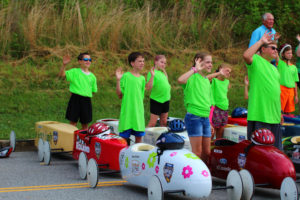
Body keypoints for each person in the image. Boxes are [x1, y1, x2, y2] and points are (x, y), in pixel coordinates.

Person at [243, 32, 282, 149]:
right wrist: (260, 41)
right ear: (263, 49)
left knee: (276, 152)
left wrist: (279, 112)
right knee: (259, 153)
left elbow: (276, 92)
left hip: (274, 117)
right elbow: (246, 55)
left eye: (277, 48)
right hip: (260, 115)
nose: (276, 50)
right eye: (273, 48)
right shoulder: (256, 60)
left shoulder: (274, 68)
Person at [178, 52, 213, 163]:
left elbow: (208, 103)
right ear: (198, 61)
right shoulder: (192, 76)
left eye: (211, 62)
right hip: (194, 117)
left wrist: (209, 121)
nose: (210, 65)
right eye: (208, 62)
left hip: (205, 118)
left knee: (207, 152)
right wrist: (194, 69)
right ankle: (191, 176)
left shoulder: (207, 80)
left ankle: (203, 176)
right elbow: (180, 80)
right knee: (197, 152)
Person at [58, 53, 97, 130]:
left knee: (85, 124)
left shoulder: (92, 76)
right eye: (86, 59)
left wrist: (84, 93)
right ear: (80, 61)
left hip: (86, 100)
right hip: (75, 100)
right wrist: (64, 65)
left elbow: (93, 91)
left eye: (90, 60)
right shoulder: (75, 72)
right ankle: (72, 140)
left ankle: (83, 141)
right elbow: (61, 75)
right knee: (73, 123)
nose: (88, 61)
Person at [116, 52, 148, 145]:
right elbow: (119, 94)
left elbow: (141, 97)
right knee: (124, 141)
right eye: (139, 61)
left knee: (138, 140)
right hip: (127, 113)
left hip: (138, 114)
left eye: (143, 61)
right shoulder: (126, 76)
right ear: (132, 63)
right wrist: (118, 80)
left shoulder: (142, 78)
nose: (142, 63)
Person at [207, 64, 232, 139]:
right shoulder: (213, 80)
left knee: (221, 131)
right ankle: (209, 147)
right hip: (215, 108)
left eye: (230, 72)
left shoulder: (227, 82)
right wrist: (219, 73)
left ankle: (217, 147)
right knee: (212, 131)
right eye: (227, 70)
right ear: (221, 69)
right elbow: (206, 78)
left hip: (225, 108)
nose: (228, 73)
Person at [146, 55, 171, 127]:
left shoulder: (162, 73)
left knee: (164, 121)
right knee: (152, 123)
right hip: (156, 100)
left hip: (166, 100)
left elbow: (166, 82)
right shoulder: (152, 73)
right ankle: (144, 137)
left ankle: (162, 138)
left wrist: (164, 71)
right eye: (161, 62)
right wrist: (152, 76)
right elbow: (148, 87)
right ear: (155, 62)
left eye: (165, 63)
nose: (163, 64)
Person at [277, 43, 299, 114]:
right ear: (283, 54)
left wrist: (296, 95)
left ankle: (286, 124)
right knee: (280, 110)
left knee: (289, 112)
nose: (290, 54)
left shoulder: (294, 67)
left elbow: (295, 82)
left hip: (291, 92)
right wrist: (274, 40)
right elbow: (275, 54)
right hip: (282, 90)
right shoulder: (280, 63)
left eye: (291, 53)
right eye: (288, 53)